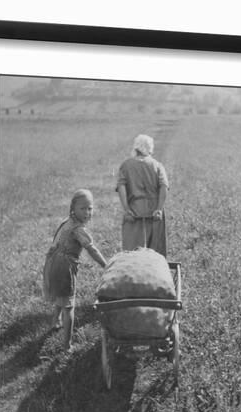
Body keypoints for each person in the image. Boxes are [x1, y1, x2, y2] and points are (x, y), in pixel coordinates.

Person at [43, 189, 107, 352]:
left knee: (61, 296)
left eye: (90, 208)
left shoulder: (68, 221)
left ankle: (55, 322)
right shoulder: (78, 229)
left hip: (53, 263)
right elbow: (91, 249)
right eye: (83, 208)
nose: (87, 212)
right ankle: (67, 345)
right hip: (64, 268)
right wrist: (106, 265)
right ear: (73, 209)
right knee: (69, 306)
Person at [116, 134, 170, 256]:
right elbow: (164, 186)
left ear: (136, 148)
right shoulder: (157, 165)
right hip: (154, 213)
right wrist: (159, 209)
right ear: (150, 149)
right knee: (156, 255)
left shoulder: (126, 166)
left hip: (134, 213)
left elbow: (121, 187)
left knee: (131, 254)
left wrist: (127, 209)